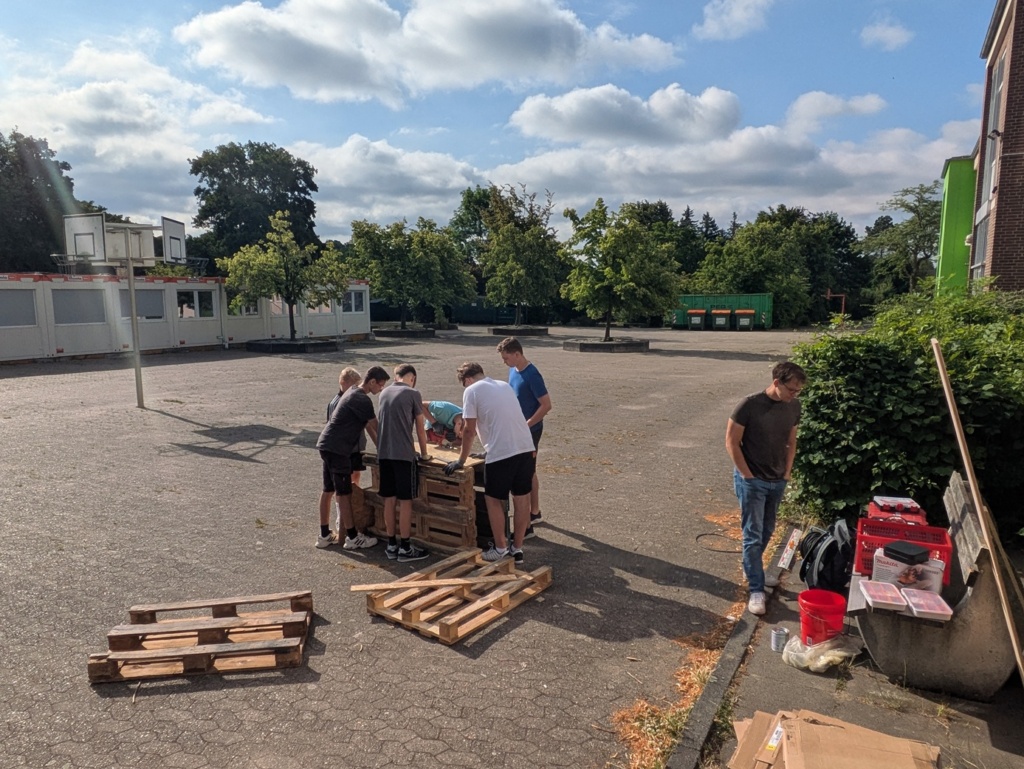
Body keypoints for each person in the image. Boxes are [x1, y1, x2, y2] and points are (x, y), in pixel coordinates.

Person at [725, 361, 806, 616]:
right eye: (791, 389)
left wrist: (787, 472)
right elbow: (731, 442)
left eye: (798, 391)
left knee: (768, 529)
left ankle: (754, 572)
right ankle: (756, 588)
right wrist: (747, 476)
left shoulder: (794, 406)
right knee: (752, 533)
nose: (795, 394)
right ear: (776, 383)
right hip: (752, 480)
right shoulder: (749, 405)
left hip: (777, 479)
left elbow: (791, 441)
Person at [444, 362, 536, 564]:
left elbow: (469, 429)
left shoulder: (471, 391)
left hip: (501, 454)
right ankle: (517, 549)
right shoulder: (503, 385)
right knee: (522, 500)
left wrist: (461, 459)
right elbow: (504, 419)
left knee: (493, 499)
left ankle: (501, 548)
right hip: (525, 448)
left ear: (467, 380)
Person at [315, 366, 391, 550]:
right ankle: (352, 537)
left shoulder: (352, 393)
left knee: (328, 490)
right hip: (338, 449)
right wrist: (389, 450)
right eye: (380, 385)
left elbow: (368, 427)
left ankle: (324, 535)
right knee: (344, 494)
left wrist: (381, 450)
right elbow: (376, 426)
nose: (381, 389)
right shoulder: (362, 399)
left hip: (326, 445)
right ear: (371, 381)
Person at [496, 337, 551, 535]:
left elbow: (546, 405)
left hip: (530, 431)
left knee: (524, 473)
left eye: (506, 358)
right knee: (530, 470)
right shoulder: (513, 370)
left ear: (517, 354)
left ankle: (527, 522)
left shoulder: (532, 374)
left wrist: (527, 426)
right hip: (517, 429)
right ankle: (534, 511)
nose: (505, 362)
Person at [377, 364, 431, 562]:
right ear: (412, 378)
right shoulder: (413, 393)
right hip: (403, 455)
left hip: (384, 454)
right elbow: (420, 426)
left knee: (389, 500)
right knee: (406, 501)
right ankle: (406, 547)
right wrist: (424, 453)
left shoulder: (383, 393)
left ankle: (392, 544)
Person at [319, 367, 367, 535]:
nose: (356, 389)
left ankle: (327, 530)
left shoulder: (336, 400)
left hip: (338, 448)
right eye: (353, 385)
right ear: (343, 383)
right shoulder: (343, 401)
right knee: (343, 489)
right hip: (346, 450)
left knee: (332, 488)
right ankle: (346, 527)